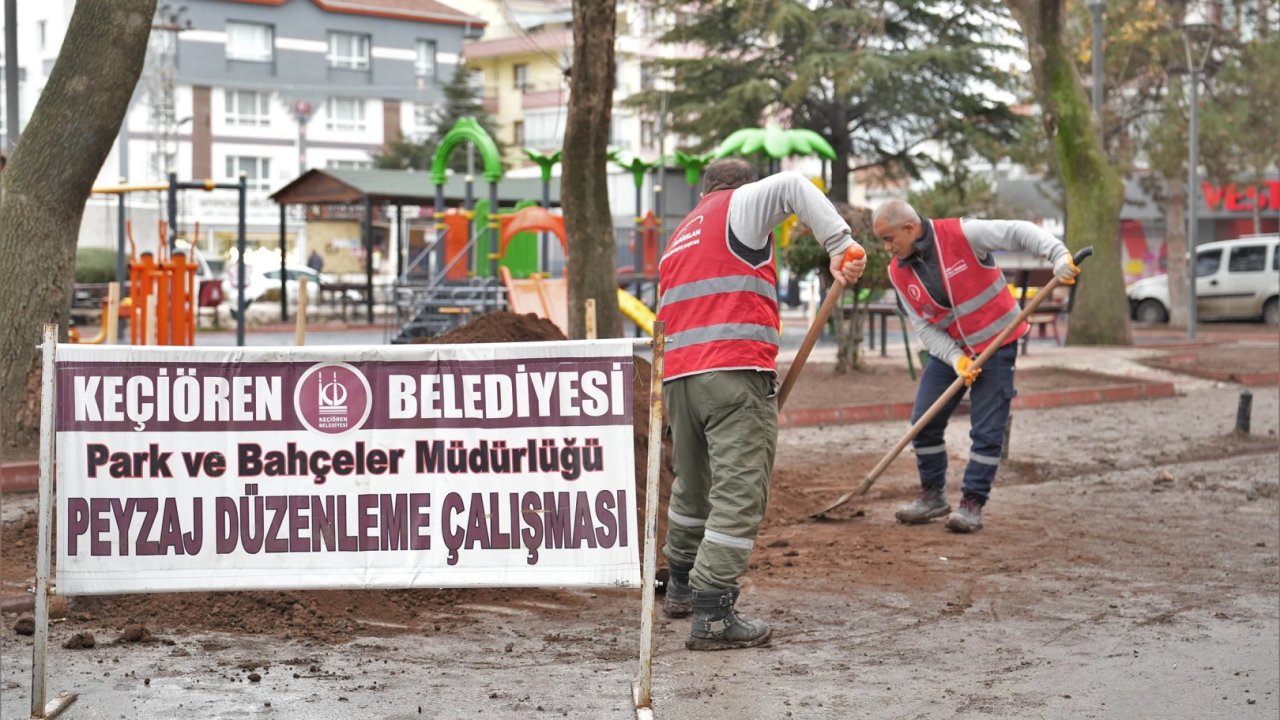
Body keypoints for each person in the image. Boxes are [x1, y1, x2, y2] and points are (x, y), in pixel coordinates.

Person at [657, 158, 866, 651]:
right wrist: (841, 244)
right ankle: (713, 613)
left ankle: (683, 584)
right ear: (742, 187)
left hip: (679, 380)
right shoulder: (740, 205)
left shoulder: (682, 233)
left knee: (692, 485)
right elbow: (794, 184)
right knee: (738, 491)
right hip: (732, 373)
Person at [873, 199, 1078, 533]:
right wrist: (956, 359)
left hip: (997, 342)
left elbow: (1018, 230)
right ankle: (933, 495)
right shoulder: (898, 271)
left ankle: (972, 503)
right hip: (951, 351)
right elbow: (924, 327)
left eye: (888, 238)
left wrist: (1057, 255)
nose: (887, 247)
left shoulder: (964, 233)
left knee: (986, 430)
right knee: (923, 422)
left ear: (909, 228)